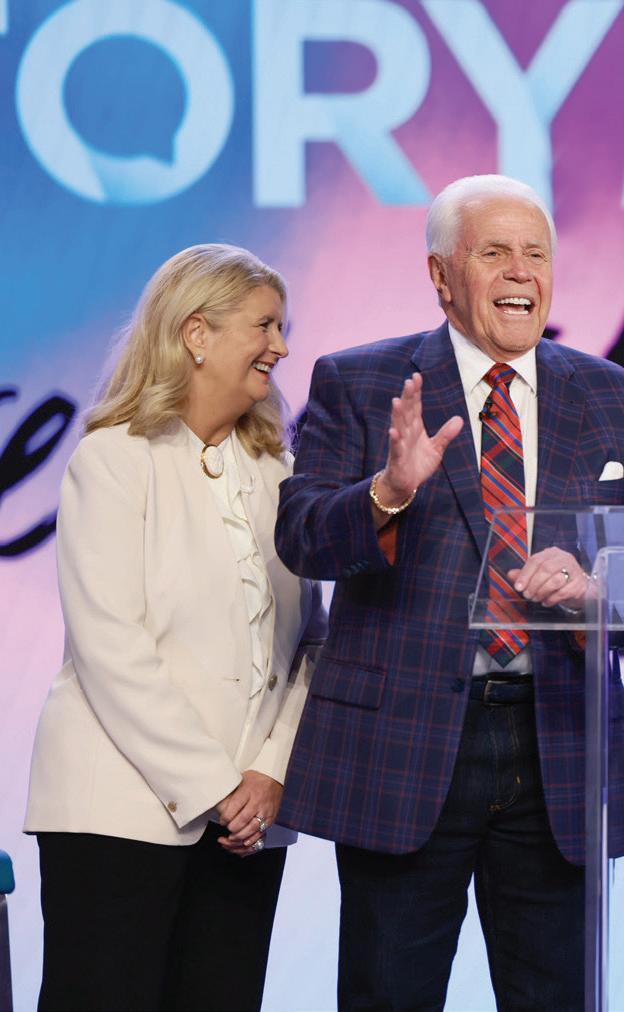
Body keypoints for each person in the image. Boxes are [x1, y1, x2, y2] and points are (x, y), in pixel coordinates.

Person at [275, 174, 624, 1010]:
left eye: (536, 254)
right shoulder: (361, 381)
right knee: (388, 993)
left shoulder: (621, 398)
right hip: (404, 745)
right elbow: (302, 537)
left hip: (560, 744)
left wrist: (596, 591)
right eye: (495, 252)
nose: (521, 271)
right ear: (441, 274)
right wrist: (386, 493)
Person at [25, 244, 326, 1011]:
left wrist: (270, 773)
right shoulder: (113, 460)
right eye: (264, 326)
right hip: (118, 813)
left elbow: (311, 645)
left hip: (250, 824)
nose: (281, 347)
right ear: (196, 334)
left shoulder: (282, 476)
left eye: (283, 328)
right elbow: (112, 651)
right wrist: (217, 787)